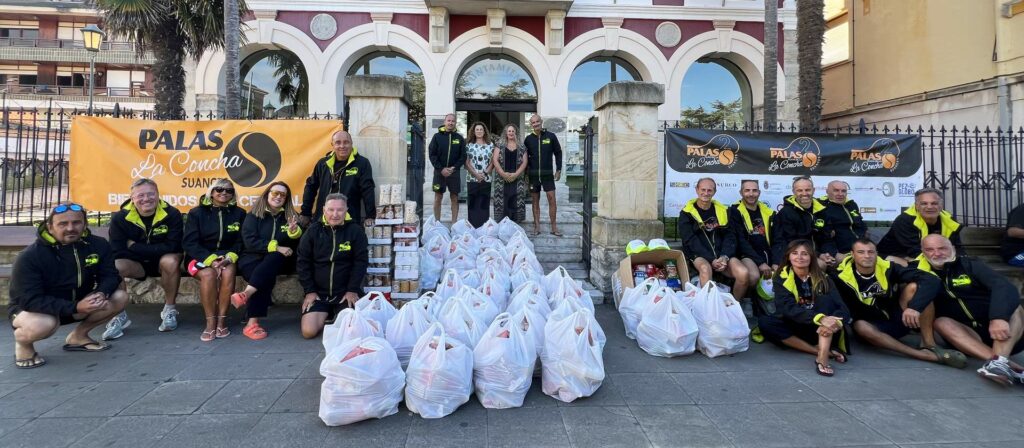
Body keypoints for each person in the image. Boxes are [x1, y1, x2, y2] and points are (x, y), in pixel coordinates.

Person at [9, 202, 127, 368]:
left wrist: (101, 293)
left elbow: (110, 276)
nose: (71, 228)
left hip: (77, 305)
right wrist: (75, 307)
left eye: (76, 222)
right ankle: (24, 344)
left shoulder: (98, 244)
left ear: (85, 224)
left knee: (119, 297)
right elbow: (28, 300)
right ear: (50, 227)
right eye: (63, 224)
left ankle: (78, 337)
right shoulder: (30, 256)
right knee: (44, 324)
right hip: (34, 311)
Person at [832, 238, 966, 367]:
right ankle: (923, 355)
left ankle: (929, 344)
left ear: (876, 253)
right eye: (861, 252)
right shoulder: (840, 277)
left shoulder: (889, 267)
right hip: (872, 328)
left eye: (871, 252)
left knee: (916, 288)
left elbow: (930, 279)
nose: (867, 256)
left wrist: (914, 307)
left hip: (899, 318)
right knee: (861, 326)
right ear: (852, 254)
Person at [910, 234, 1024, 385]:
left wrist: (998, 318)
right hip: (967, 335)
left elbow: (1003, 286)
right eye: (930, 250)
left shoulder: (970, 264)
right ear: (923, 252)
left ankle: (998, 363)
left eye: (942, 248)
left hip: (1002, 330)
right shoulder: (918, 271)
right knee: (941, 322)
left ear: (953, 248)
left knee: (1016, 308)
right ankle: (1002, 364)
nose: (936, 253)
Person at [758, 240, 851, 377]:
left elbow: (842, 307)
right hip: (796, 324)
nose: (799, 257)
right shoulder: (780, 278)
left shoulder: (824, 278)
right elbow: (786, 308)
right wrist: (820, 318)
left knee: (826, 302)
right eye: (795, 253)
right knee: (765, 323)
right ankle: (818, 351)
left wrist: (833, 321)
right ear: (789, 257)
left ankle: (823, 358)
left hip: (822, 328)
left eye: (804, 254)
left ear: (811, 257)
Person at [106, 178, 183, 339]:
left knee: (171, 260)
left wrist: (134, 246)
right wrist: (154, 250)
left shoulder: (172, 214)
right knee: (115, 266)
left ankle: (169, 310)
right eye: (140, 195)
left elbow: (173, 247)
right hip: (135, 264)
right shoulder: (120, 218)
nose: (146, 199)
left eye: (151, 194)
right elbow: (118, 251)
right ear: (132, 198)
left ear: (158, 194)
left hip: (162, 262)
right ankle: (119, 314)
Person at [232, 182, 303, 340]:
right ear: (267, 194)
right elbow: (250, 241)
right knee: (264, 276)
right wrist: (276, 247)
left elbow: (296, 244)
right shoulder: (253, 215)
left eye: (282, 195)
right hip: (251, 257)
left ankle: (247, 295)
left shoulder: (291, 217)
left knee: (273, 261)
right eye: (275, 193)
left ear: (287, 199)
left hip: (279, 261)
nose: (278, 197)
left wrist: (294, 232)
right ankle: (252, 323)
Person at [297, 193, 369, 339]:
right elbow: (303, 262)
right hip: (319, 294)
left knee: (351, 333)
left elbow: (360, 262)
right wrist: (310, 291)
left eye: (340, 210)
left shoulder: (355, 231)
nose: (335, 214)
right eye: (331, 210)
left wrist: (352, 290)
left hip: (345, 294)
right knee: (308, 332)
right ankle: (329, 313)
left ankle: (337, 313)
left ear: (346, 210)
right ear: (324, 210)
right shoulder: (313, 231)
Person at [183, 179, 247, 342]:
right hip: (198, 257)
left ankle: (222, 321)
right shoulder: (196, 213)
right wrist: (210, 259)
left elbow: (241, 241)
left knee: (229, 270)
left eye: (229, 190)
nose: (224, 193)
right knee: (209, 275)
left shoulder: (239, 213)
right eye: (219, 189)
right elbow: (189, 242)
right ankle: (210, 323)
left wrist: (229, 257)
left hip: (227, 257)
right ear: (211, 192)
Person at [678, 178, 750, 300]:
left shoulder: (723, 211)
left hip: (723, 256)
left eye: (709, 190)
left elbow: (730, 236)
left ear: (714, 192)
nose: (706, 193)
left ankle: (733, 305)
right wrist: (712, 259)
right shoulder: (686, 213)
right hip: (700, 255)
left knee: (743, 273)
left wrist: (724, 256)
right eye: (703, 190)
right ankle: (708, 308)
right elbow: (690, 240)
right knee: (705, 269)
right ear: (697, 190)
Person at [300, 130, 376, 227]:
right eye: (338, 142)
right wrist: (305, 212)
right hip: (322, 220)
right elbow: (311, 187)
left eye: (346, 142)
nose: (342, 146)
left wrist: (370, 216)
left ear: (351, 144)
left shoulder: (362, 163)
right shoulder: (323, 164)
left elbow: (368, 190)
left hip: (349, 221)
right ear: (332, 145)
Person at [877, 188, 963, 265]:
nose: (929, 207)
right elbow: (914, 251)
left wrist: (961, 262)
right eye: (924, 204)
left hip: (932, 254)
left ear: (941, 206)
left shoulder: (949, 220)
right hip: (897, 255)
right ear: (917, 206)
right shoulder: (905, 220)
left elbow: (956, 247)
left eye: (934, 203)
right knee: (918, 267)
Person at [771, 176, 837, 269]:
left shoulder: (822, 210)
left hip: (819, 252)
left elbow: (827, 237)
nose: (804, 193)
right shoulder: (786, 213)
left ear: (813, 190)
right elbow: (792, 242)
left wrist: (828, 253)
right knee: (821, 265)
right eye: (800, 190)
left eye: (807, 190)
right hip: (798, 253)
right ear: (793, 192)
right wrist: (818, 255)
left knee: (841, 259)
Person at [729, 179, 778, 291]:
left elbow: (777, 239)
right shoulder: (734, 211)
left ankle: (768, 299)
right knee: (753, 276)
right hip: (745, 254)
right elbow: (740, 241)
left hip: (767, 252)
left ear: (759, 193)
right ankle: (747, 299)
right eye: (747, 190)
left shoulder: (769, 212)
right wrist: (760, 263)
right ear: (741, 193)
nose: (751, 194)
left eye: (754, 191)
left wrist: (776, 262)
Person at [524, 114, 563, 236]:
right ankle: (537, 227)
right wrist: (525, 174)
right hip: (533, 176)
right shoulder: (528, 139)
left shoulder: (551, 136)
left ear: (541, 122)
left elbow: (558, 152)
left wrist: (559, 169)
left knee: (552, 200)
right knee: (535, 201)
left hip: (547, 175)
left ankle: (554, 227)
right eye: (533, 122)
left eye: (537, 121)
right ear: (531, 125)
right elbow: (524, 159)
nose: (535, 124)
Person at [428, 113, 465, 223]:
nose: (450, 122)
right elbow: (432, 154)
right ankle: (437, 222)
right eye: (448, 120)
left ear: (455, 123)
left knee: (454, 198)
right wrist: (441, 169)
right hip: (439, 173)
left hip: (454, 173)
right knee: (437, 198)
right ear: (444, 122)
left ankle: (454, 223)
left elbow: (463, 156)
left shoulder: (459, 138)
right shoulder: (437, 137)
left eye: (453, 121)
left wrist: (454, 168)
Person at [819, 180, 867, 258]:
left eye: (843, 191)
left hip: (861, 246)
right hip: (839, 251)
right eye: (836, 190)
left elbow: (861, 225)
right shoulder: (821, 207)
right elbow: (822, 236)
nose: (840, 194)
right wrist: (834, 253)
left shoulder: (851, 204)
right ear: (827, 191)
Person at [492, 123, 528, 223]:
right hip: (501, 179)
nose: (511, 133)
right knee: (503, 199)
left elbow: (525, 162)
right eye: (509, 131)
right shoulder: (499, 145)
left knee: (516, 199)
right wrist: (502, 173)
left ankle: (516, 222)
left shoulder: (521, 146)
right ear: (506, 133)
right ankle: (502, 223)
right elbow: (495, 160)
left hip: (517, 178)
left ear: (515, 132)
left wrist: (516, 174)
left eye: (513, 131)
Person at [465, 122, 494, 227]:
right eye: (477, 129)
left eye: (481, 129)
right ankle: (473, 227)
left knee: (484, 204)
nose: (479, 131)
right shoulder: (469, 145)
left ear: (484, 131)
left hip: (486, 179)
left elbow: (492, 162)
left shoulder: (490, 145)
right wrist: (476, 174)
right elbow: (467, 163)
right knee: (472, 205)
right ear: (473, 131)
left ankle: (484, 227)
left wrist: (484, 174)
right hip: (472, 178)